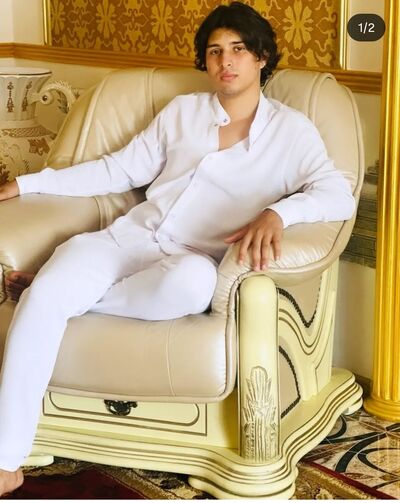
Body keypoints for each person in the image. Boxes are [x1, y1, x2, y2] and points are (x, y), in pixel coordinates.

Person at [0, 1, 355, 495]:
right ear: (205, 61)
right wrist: (29, 183)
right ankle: (5, 459)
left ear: (261, 58)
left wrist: (279, 213)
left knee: (191, 285)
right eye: (214, 51)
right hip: (128, 239)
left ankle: (63, 295)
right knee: (48, 295)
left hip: (192, 261)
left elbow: (337, 194)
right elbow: (118, 169)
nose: (225, 61)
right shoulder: (183, 112)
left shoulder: (291, 132)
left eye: (238, 49)